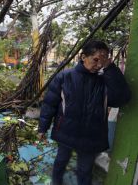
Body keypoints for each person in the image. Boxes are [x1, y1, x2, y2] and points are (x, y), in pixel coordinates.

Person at [38, 40, 131, 185]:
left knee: (85, 170)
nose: (99, 64)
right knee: (60, 161)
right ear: (83, 57)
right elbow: (50, 104)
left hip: (91, 137)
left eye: (103, 60)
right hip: (66, 132)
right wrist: (42, 127)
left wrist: (109, 67)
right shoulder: (64, 77)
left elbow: (122, 98)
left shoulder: (104, 81)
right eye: (96, 59)